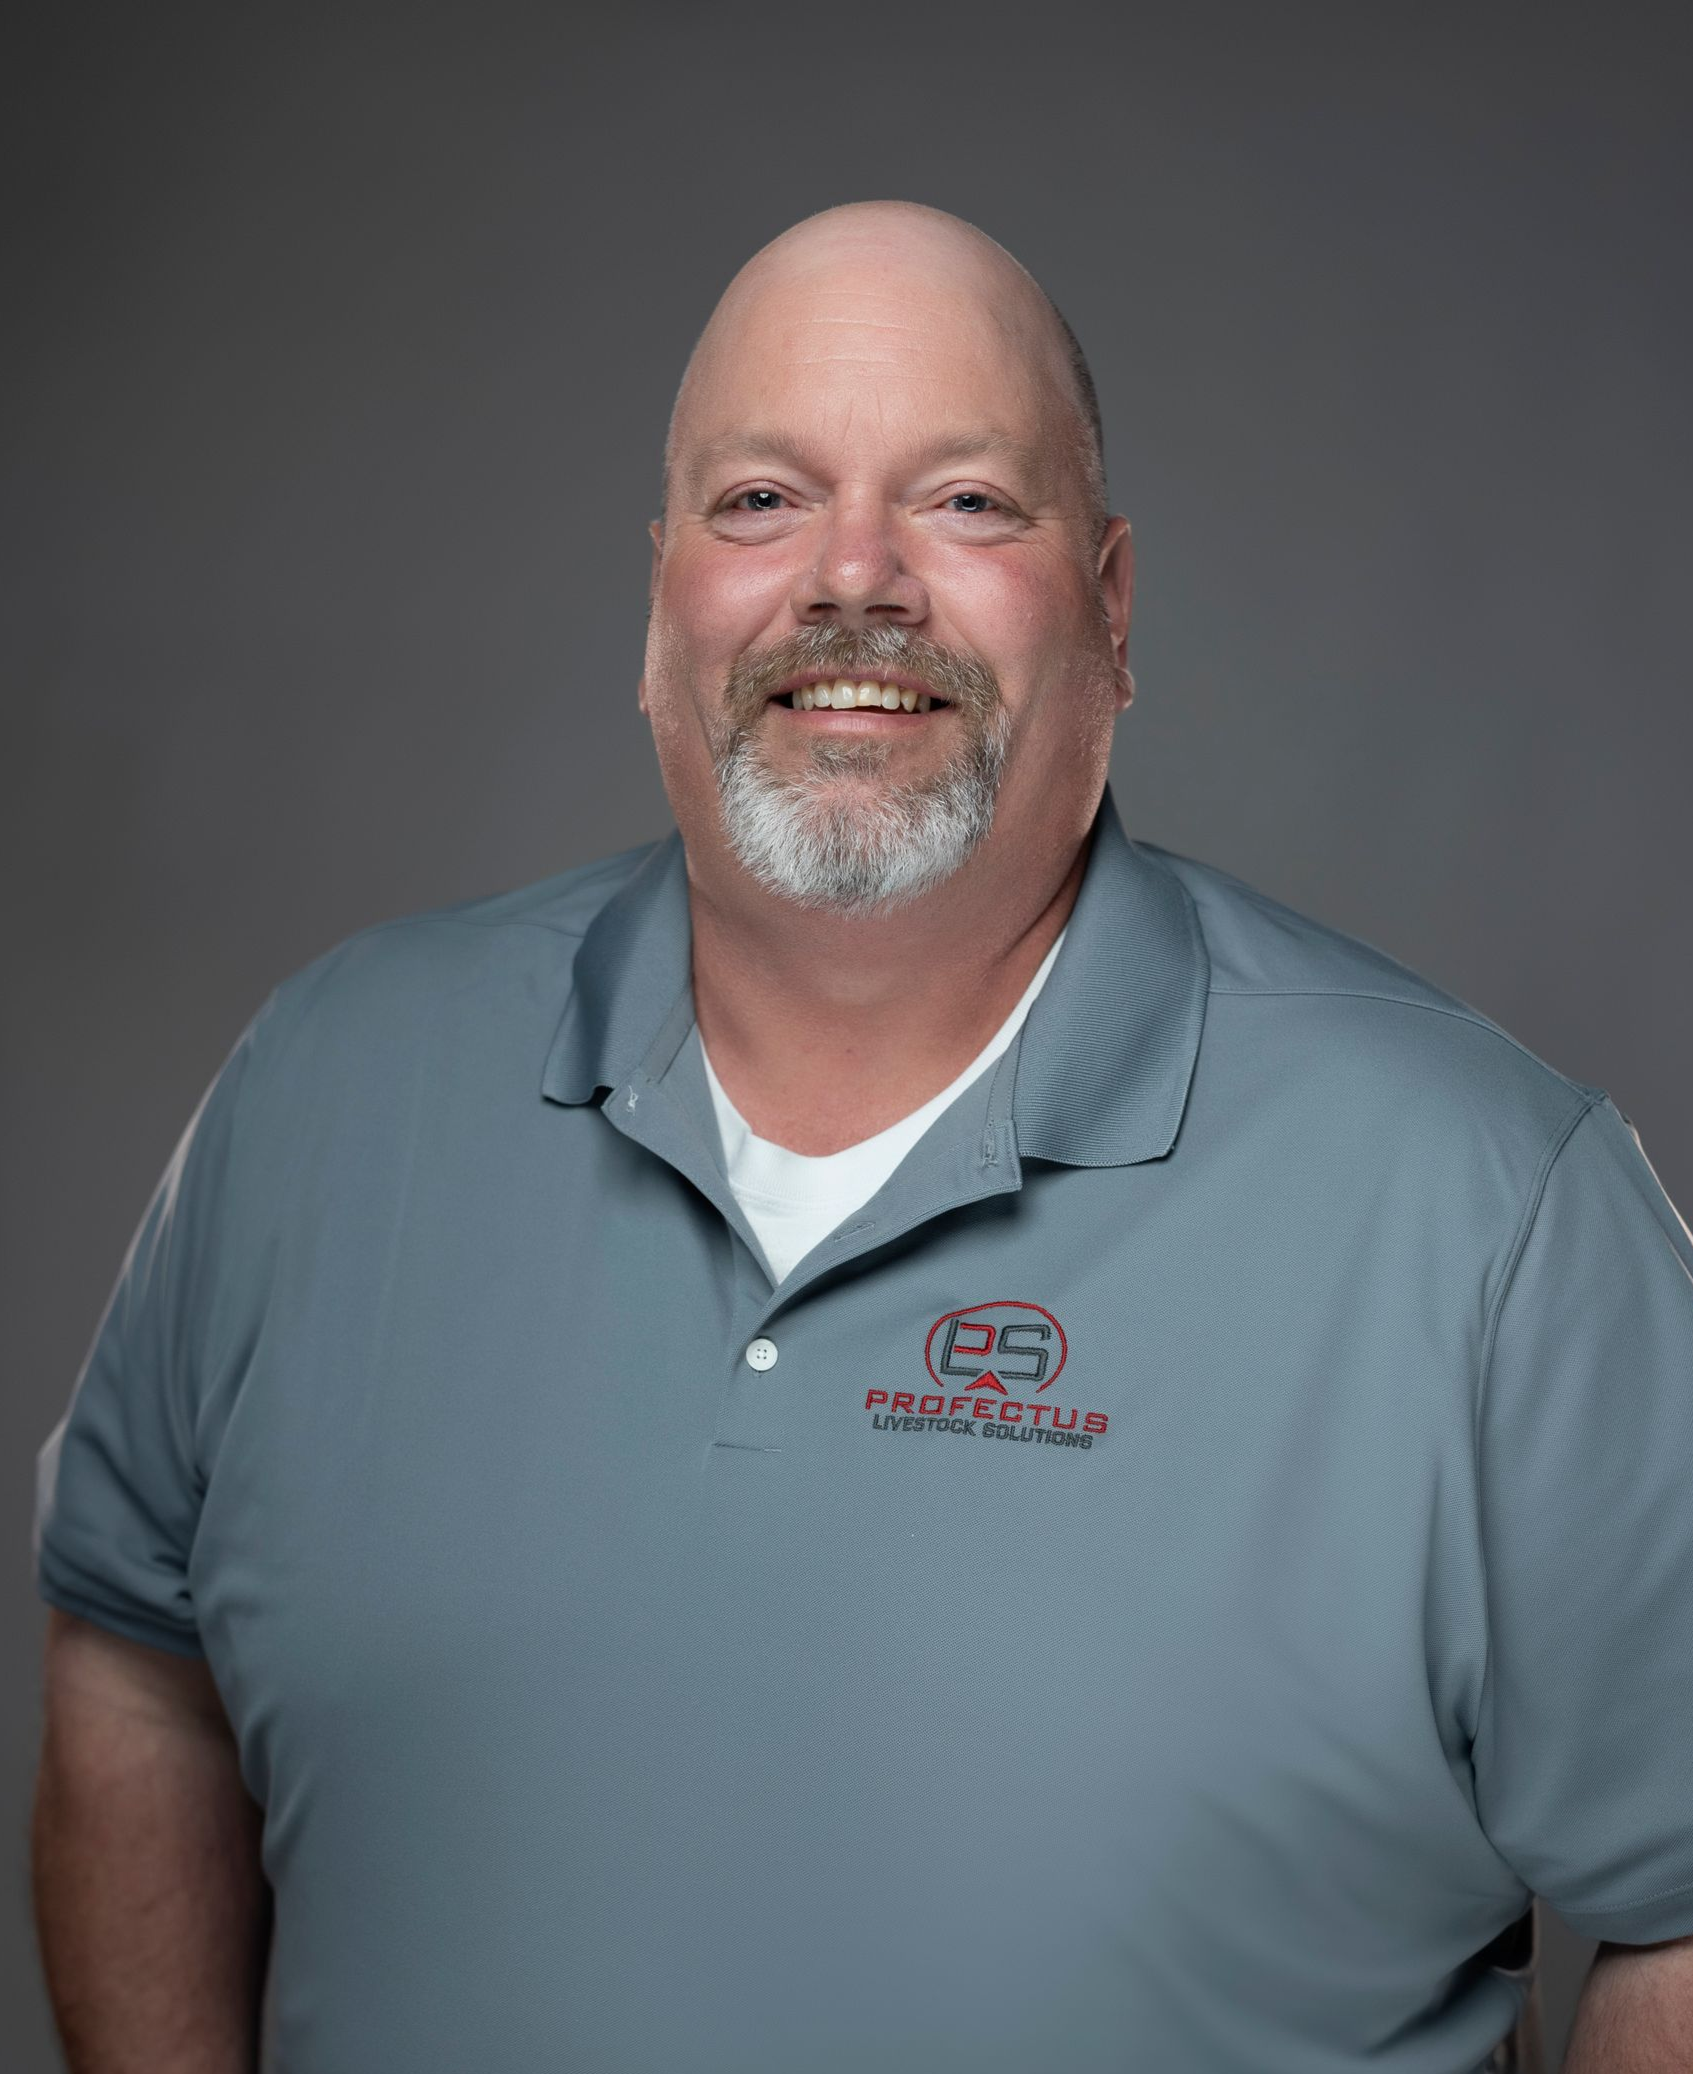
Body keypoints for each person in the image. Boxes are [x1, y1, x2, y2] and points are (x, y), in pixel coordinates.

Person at [29, 199, 1693, 2074]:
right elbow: (128, 1640)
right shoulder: (326, 1094)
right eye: (761, 501)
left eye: (968, 501)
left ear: (1117, 606)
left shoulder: (1490, 1215)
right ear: (658, 606)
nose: (855, 578)